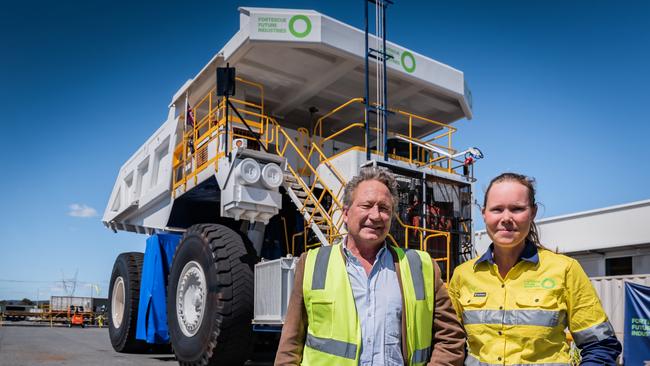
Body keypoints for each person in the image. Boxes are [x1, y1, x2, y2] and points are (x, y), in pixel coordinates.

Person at [275, 166, 466, 365]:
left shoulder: (421, 267)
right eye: (366, 205)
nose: (375, 216)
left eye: (384, 208)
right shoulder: (312, 264)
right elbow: (290, 346)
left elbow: (450, 338)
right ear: (346, 213)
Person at [448, 173, 621, 365]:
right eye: (497, 209)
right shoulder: (462, 275)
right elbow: (448, 343)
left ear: (533, 212)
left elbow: (601, 345)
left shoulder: (565, 270)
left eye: (517, 209)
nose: (506, 218)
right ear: (484, 213)